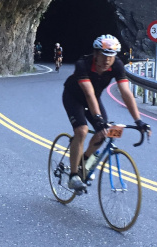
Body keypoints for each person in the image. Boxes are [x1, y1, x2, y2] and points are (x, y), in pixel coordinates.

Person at [62, 34, 151, 191]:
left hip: (94, 99)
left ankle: (84, 162)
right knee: (82, 131)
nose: (107, 60)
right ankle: (73, 176)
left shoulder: (117, 65)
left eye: (111, 56)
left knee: (105, 132)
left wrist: (139, 121)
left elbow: (126, 93)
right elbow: (88, 94)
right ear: (95, 54)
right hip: (74, 97)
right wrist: (98, 119)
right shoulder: (83, 64)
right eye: (103, 56)